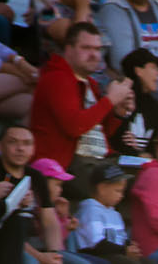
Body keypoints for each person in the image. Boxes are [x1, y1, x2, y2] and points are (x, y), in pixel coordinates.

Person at [35, 21, 132, 171]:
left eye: (97, 49)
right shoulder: (57, 78)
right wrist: (110, 100)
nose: (94, 55)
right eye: (86, 48)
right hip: (67, 167)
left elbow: (101, 133)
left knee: (147, 173)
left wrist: (117, 112)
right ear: (69, 49)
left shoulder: (90, 83)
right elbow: (75, 126)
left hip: (98, 160)